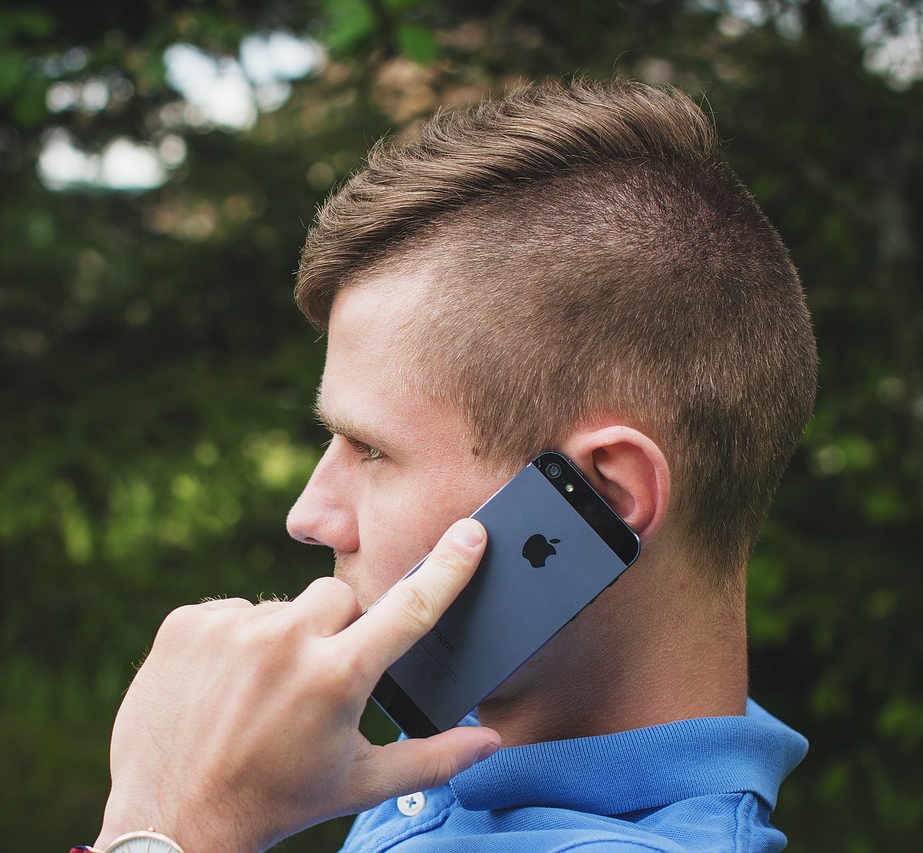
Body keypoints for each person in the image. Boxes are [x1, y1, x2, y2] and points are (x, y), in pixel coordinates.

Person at [81, 78, 818, 853]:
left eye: (370, 448)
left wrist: (172, 822)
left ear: (606, 492)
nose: (309, 513)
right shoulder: (454, 741)